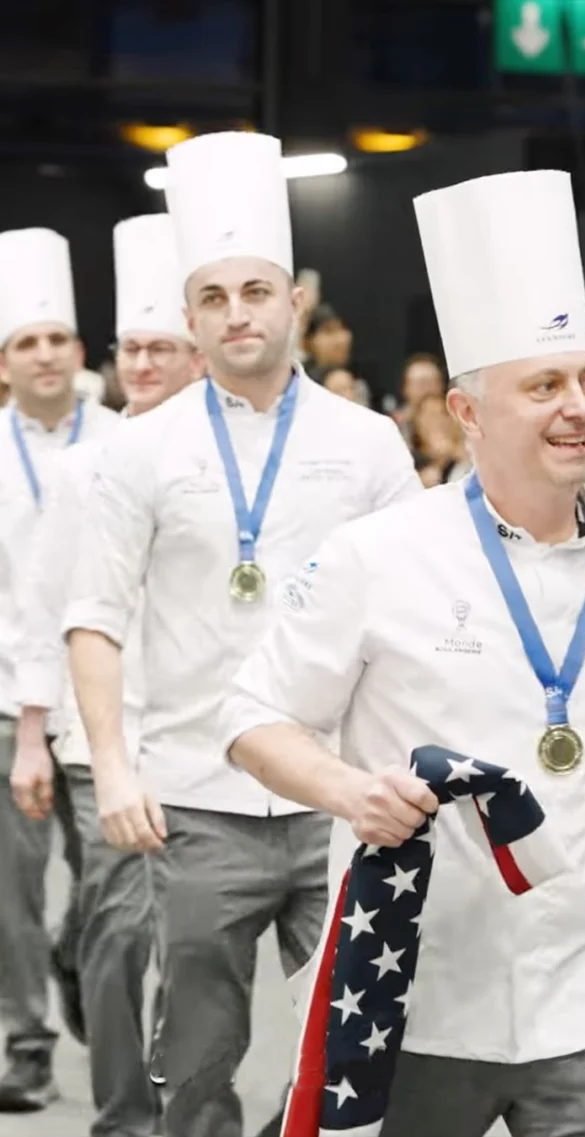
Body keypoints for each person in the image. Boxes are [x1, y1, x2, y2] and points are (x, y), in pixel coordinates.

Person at [219, 170, 585, 1137]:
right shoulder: (379, 555)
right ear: (468, 413)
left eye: (584, 380)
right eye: (543, 386)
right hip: (420, 996)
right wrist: (349, 792)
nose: (577, 407)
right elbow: (251, 716)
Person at [62, 130, 422, 1137]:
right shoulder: (141, 451)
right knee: (197, 1059)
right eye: (213, 297)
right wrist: (113, 767)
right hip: (195, 800)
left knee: (353, 1045)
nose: (237, 313)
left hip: (338, 793)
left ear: (293, 301)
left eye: (255, 291)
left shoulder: (367, 443)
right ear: (190, 319)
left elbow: (418, 602)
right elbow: (94, 617)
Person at [11, 213, 201, 1137]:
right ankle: (124, 1114)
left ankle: (176, 1082)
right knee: (118, 926)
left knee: (186, 935)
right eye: (133, 349)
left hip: (208, 734)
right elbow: (45, 605)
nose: (146, 364)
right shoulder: (83, 470)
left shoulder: (221, 467)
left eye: (164, 347)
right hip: (98, 731)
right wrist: (31, 732)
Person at [0, 227, 119, 1111]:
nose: (43, 354)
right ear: (5, 362)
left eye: (56, 339)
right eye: (25, 341)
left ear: (78, 353)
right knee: (9, 885)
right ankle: (27, 1041)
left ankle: (76, 952)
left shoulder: (123, 440)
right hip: (5, 701)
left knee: (108, 878)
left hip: (100, 698)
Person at [394, 352, 445, 443]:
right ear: (405, 388)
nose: (427, 390)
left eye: (432, 382)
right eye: (420, 384)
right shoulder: (394, 426)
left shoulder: (458, 421)